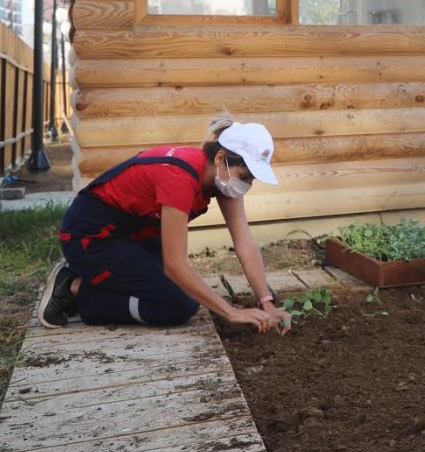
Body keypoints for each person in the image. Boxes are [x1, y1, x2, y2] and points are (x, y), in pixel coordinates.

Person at [37, 116, 291, 335]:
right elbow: (174, 264)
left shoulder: (220, 177)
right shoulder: (179, 177)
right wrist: (231, 312)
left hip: (133, 234)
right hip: (90, 236)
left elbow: (244, 241)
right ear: (221, 157)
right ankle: (73, 286)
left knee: (179, 287)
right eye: (245, 176)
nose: (247, 185)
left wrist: (266, 301)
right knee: (177, 304)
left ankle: (96, 278)